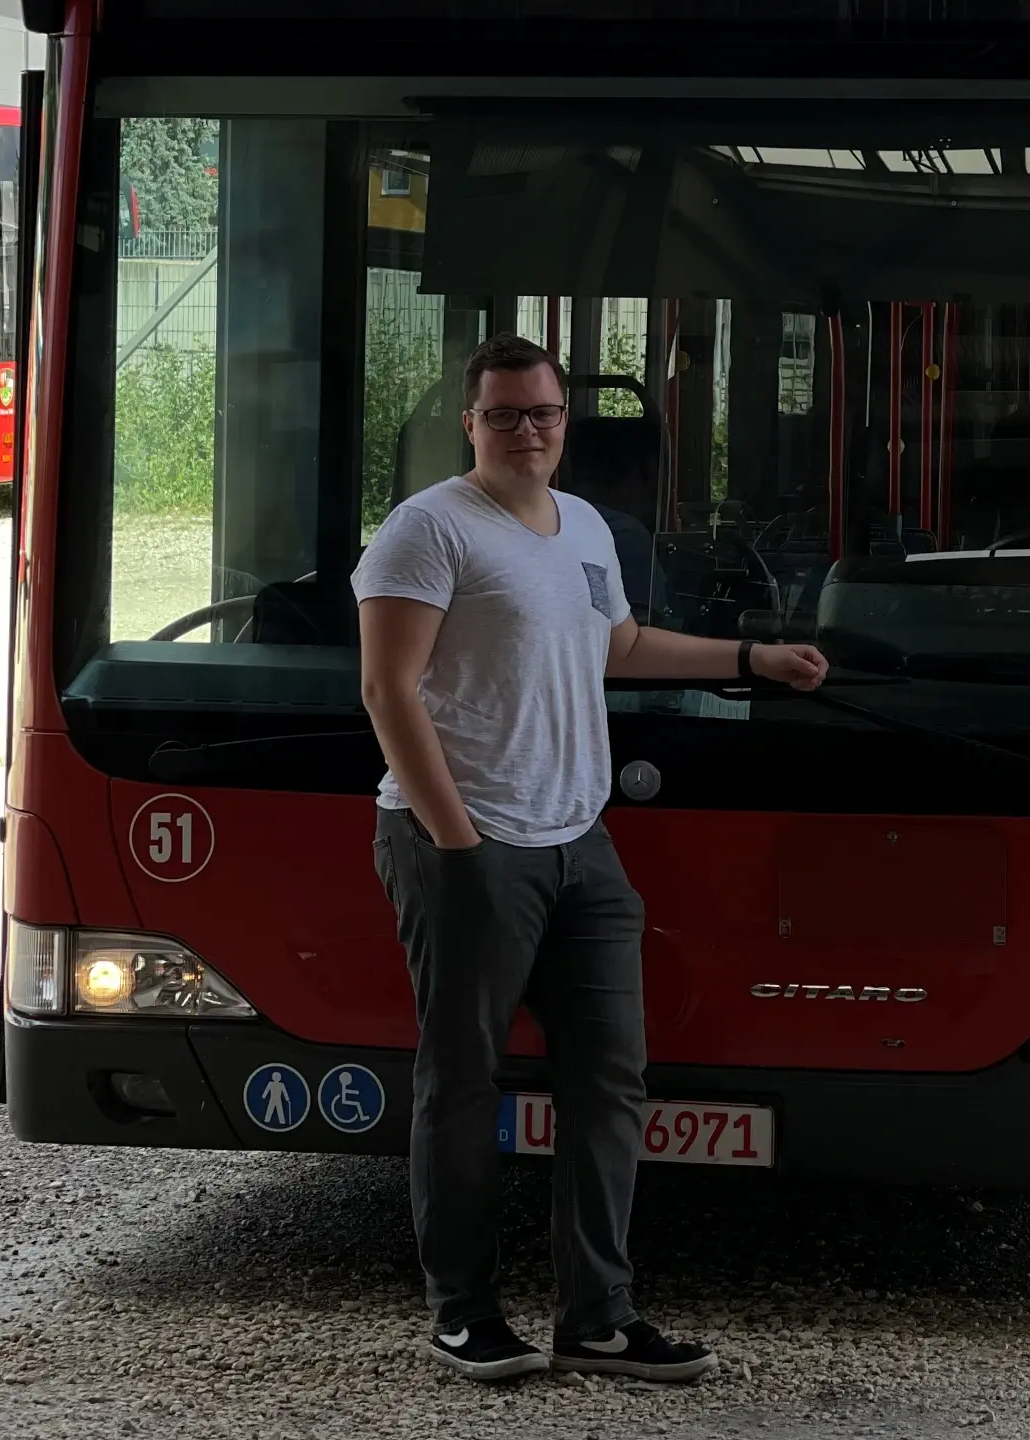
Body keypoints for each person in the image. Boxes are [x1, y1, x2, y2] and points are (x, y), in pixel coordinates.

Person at [354, 333, 827, 1384]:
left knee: (610, 1078)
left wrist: (752, 659)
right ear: (470, 424)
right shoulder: (426, 530)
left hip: (580, 839)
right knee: (462, 1081)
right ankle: (464, 1310)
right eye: (507, 415)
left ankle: (599, 1319)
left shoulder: (586, 530)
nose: (529, 432)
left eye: (546, 414)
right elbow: (387, 691)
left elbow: (619, 646)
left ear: (568, 422)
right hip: (465, 838)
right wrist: (458, 843)